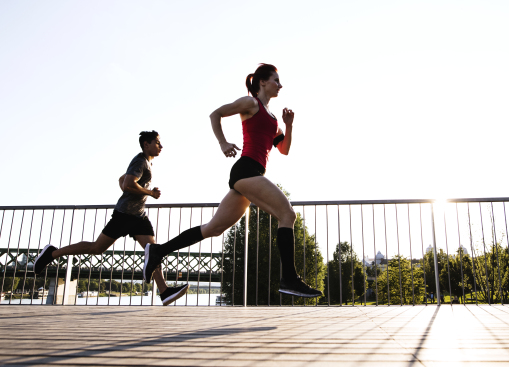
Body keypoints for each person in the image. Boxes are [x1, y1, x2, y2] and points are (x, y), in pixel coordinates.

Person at [143, 64, 322, 298]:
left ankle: (158, 251)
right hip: (246, 171)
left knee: (213, 229)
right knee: (287, 215)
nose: (280, 85)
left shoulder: (273, 119)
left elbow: (284, 149)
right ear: (262, 83)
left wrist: (288, 126)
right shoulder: (251, 104)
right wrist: (223, 143)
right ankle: (289, 278)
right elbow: (215, 114)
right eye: (276, 80)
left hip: (252, 176)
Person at [33, 131, 189, 306]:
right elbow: (128, 184)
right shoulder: (140, 161)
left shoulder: (144, 162)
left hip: (138, 216)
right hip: (124, 215)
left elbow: (122, 181)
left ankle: (164, 291)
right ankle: (52, 253)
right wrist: (150, 193)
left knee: (153, 251)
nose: (161, 146)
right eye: (158, 143)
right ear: (146, 144)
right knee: (96, 248)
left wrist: (136, 188)